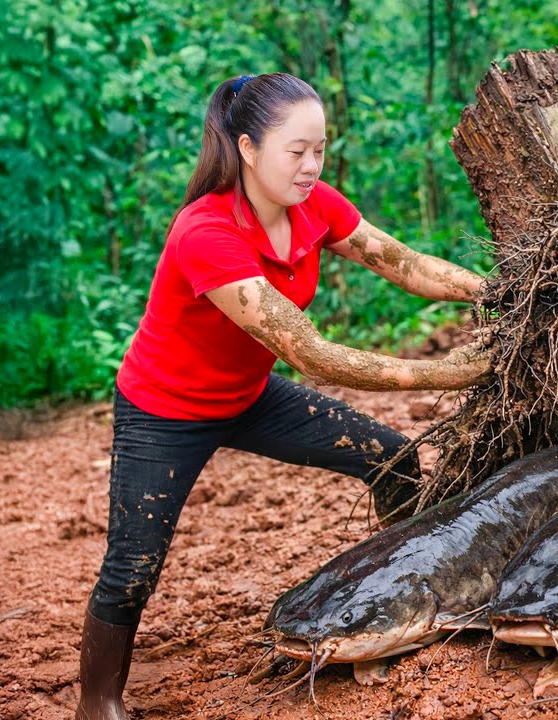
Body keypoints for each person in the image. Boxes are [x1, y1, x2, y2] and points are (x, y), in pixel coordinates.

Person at [76, 72, 491, 720]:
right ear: (246, 148)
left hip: (247, 394)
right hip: (164, 410)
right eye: (295, 151)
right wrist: (455, 371)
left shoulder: (315, 205)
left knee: (392, 457)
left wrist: (490, 290)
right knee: (133, 566)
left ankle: (407, 587)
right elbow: (309, 353)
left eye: (319, 149)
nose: (311, 165)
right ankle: (97, 702)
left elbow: (400, 262)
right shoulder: (205, 231)